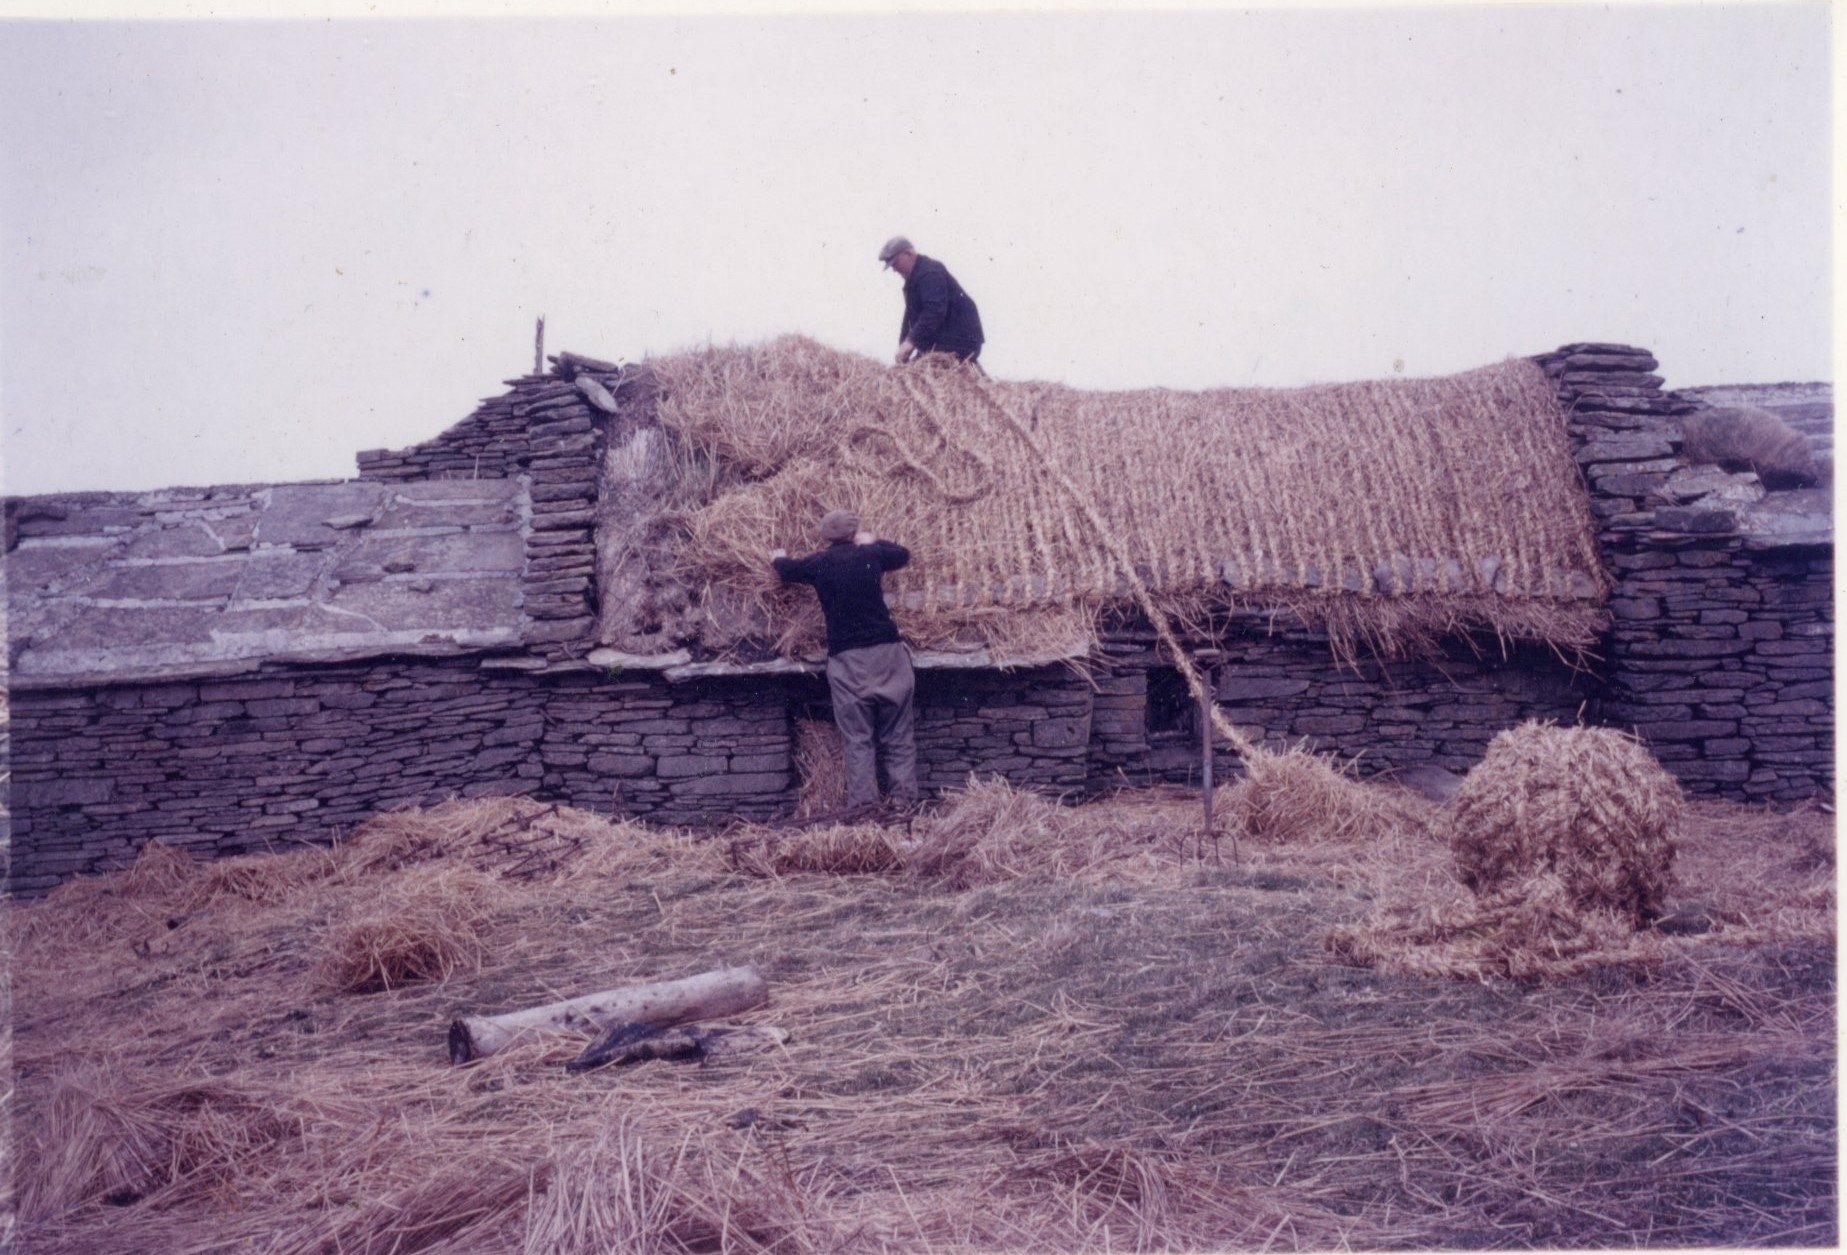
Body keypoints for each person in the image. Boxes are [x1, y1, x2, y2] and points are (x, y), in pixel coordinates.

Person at [771, 509, 920, 814]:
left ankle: (865, 809)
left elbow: (787, 570)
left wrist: (777, 556)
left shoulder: (819, 563)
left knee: (858, 739)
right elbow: (903, 555)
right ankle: (905, 807)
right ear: (854, 533)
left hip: (848, 660)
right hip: (888, 654)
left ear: (826, 536)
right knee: (898, 736)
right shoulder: (872, 554)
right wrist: (873, 540)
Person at [878, 236, 984, 366]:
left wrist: (910, 342)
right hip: (942, 341)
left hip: (959, 340)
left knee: (922, 368)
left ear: (909, 254)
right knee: (914, 368)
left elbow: (934, 311)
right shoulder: (914, 280)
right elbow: (909, 319)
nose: (894, 270)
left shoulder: (929, 273)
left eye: (895, 263)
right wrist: (903, 347)